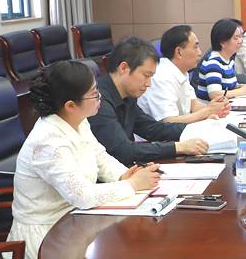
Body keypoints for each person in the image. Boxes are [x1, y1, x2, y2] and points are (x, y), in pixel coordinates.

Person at [5, 61, 161, 259]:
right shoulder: (48, 141)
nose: (100, 98)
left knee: (128, 253)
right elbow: (83, 196)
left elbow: (100, 156)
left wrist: (124, 174)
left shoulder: (78, 120)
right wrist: (132, 185)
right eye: (94, 94)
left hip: (77, 220)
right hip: (46, 236)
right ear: (70, 105)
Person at [89, 36, 209, 165]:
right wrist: (177, 147)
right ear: (123, 68)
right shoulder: (97, 101)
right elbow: (123, 150)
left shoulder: (128, 95)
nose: (149, 84)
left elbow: (152, 129)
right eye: (146, 75)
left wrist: (197, 129)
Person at [138, 25, 230, 123]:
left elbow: (193, 105)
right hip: (160, 132)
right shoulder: (162, 77)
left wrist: (214, 107)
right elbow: (168, 122)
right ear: (179, 52)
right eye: (195, 47)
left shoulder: (181, 71)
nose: (200, 52)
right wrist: (208, 111)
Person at [194, 18, 246, 101]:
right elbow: (214, 94)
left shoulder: (228, 60)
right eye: (236, 38)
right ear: (222, 42)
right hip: (209, 107)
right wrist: (242, 91)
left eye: (241, 36)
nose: (240, 41)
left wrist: (241, 87)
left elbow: (229, 86)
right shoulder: (213, 62)